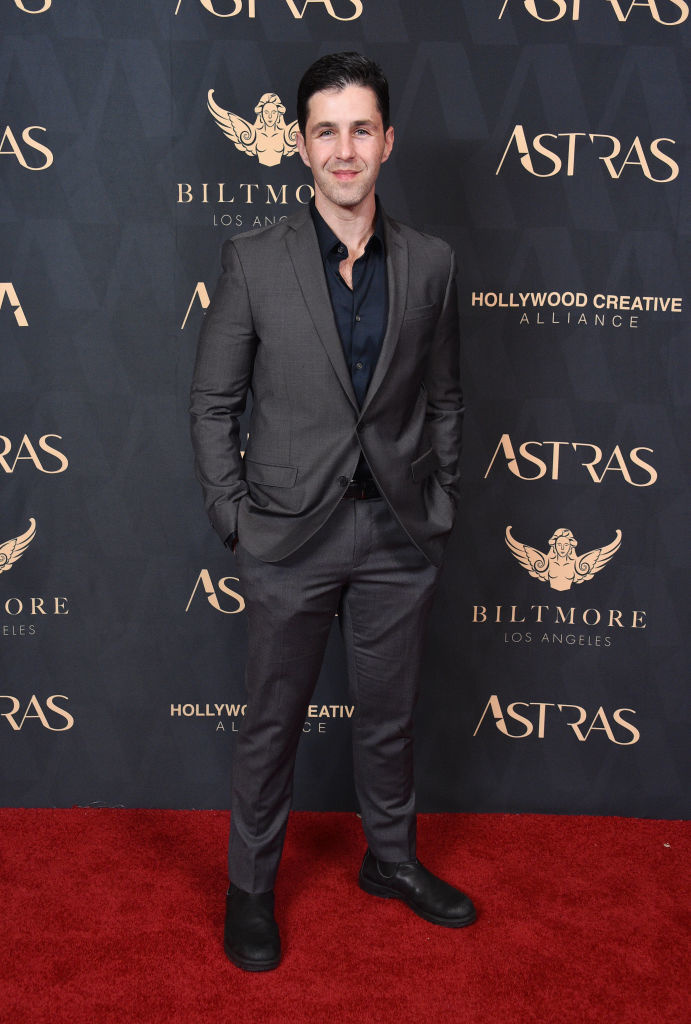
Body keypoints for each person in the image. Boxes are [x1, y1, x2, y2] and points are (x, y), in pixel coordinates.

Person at [190, 51, 476, 973]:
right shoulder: (252, 260)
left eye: (361, 129)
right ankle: (250, 889)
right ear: (300, 146)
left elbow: (446, 397)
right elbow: (212, 404)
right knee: (272, 721)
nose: (343, 149)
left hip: (398, 531)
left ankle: (389, 863)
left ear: (387, 142)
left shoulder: (431, 263)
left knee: (388, 718)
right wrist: (236, 518)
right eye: (326, 131)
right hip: (287, 533)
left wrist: (439, 498)